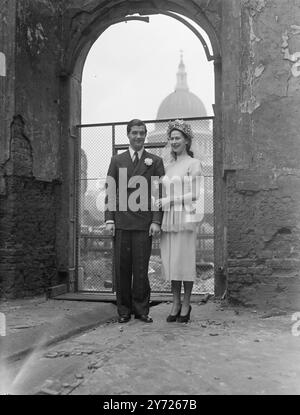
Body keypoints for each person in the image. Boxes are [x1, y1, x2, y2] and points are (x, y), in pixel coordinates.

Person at [105, 119, 165, 323]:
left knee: (141, 268)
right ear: (128, 135)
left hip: (143, 223)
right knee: (122, 268)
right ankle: (123, 311)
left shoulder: (155, 161)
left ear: (146, 135)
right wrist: (109, 219)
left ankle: (141, 310)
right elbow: (111, 191)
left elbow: (159, 193)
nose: (138, 136)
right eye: (134, 133)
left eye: (142, 133)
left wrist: (156, 220)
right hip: (121, 222)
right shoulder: (117, 160)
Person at [156, 119, 203, 323]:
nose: (174, 141)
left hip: (185, 215)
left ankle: (186, 302)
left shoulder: (194, 164)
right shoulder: (167, 167)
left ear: (187, 141)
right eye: (172, 138)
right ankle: (175, 301)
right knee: (172, 260)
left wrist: (170, 199)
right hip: (169, 218)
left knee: (185, 260)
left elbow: (194, 194)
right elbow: (161, 189)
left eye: (178, 138)